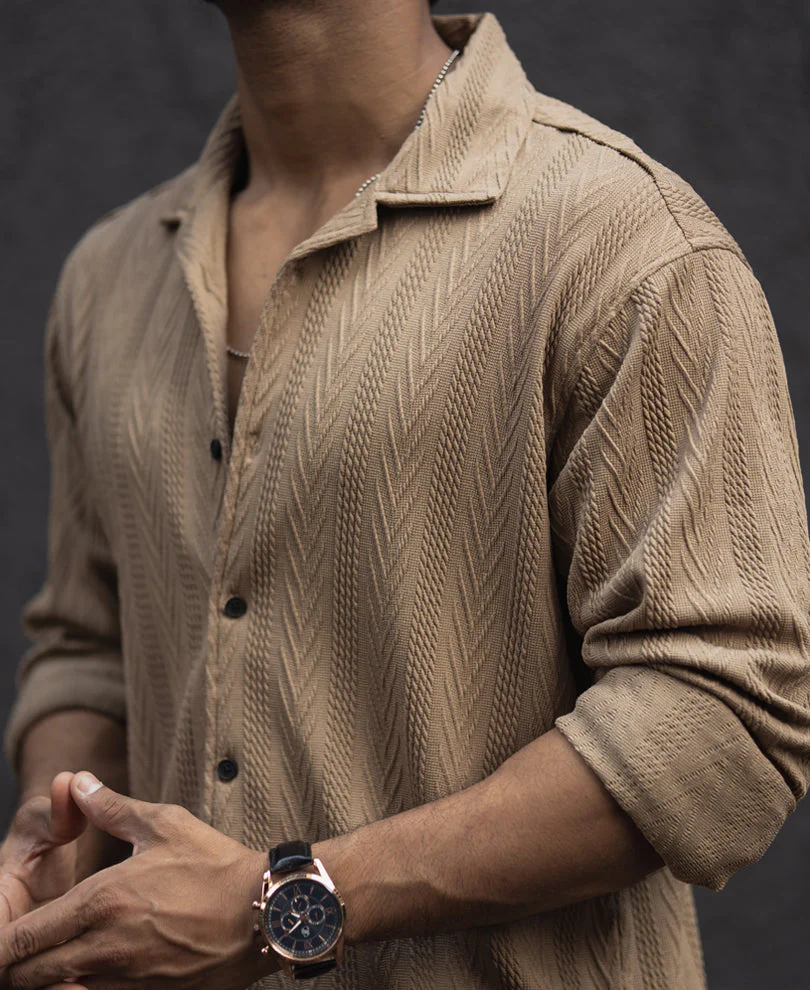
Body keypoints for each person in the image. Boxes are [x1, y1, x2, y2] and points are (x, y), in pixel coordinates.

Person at [1, 1, 809, 987]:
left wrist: (281, 899)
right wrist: (53, 847)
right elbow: (91, 647)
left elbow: (723, 720)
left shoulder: (624, 245)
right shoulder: (108, 278)